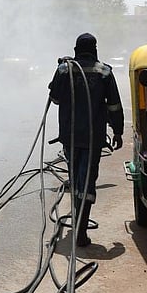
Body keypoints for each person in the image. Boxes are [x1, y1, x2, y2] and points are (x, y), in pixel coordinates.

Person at [48, 33, 123, 247]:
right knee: (87, 182)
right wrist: (117, 131)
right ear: (95, 49)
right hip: (93, 137)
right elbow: (114, 105)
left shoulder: (65, 69)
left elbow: (54, 99)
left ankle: (77, 225)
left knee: (75, 179)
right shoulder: (104, 71)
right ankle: (80, 231)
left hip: (70, 137)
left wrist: (60, 71)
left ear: (75, 50)